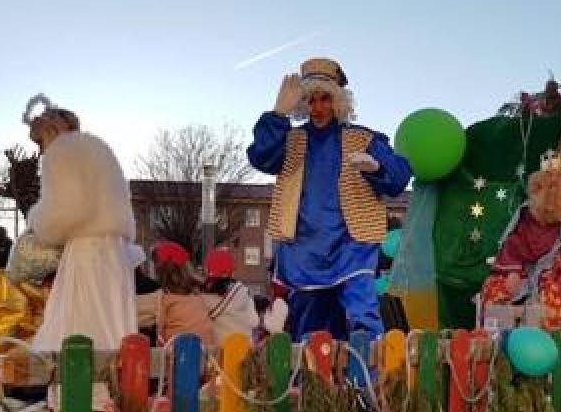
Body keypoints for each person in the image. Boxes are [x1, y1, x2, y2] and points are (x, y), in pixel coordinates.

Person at [246, 57, 413, 341]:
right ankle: (315, 383)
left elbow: (398, 179)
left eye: (325, 99)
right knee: (311, 328)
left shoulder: (364, 139)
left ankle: (365, 382)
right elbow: (262, 157)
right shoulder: (290, 139)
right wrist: (277, 116)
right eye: (311, 100)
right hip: (304, 249)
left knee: (362, 320)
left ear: (338, 101)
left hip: (352, 245)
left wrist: (377, 168)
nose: (319, 108)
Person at [19, 94, 138, 353]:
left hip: (88, 253)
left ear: (48, 132)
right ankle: (118, 389)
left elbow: (68, 209)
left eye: (40, 142)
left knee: (79, 330)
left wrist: (36, 221)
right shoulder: (97, 147)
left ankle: (83, 391)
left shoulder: (61, 152)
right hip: (115, 254)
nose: (41, 151)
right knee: (114, 332)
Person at [480, 151, 561, 330]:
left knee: (553, 289)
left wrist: (555, 265)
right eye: (547, 184)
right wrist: (514, 272)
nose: (553, 190)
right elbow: (513, 246)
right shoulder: (527, 213)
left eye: (558, 183)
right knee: (493, 287)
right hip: (524, 272)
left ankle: (548, 342)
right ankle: (502, 342)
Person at [139, 241, 216, 347]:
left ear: (160, 270)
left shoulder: (162, 298)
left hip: (178, 358)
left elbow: (133, 313)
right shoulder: (198, 294)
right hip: (207, 358)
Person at [202, 248, 260, 343]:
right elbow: (254, 322)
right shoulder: (243, 291)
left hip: (219, 352)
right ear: (232, 272)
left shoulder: (201, 298)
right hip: (244, 350)